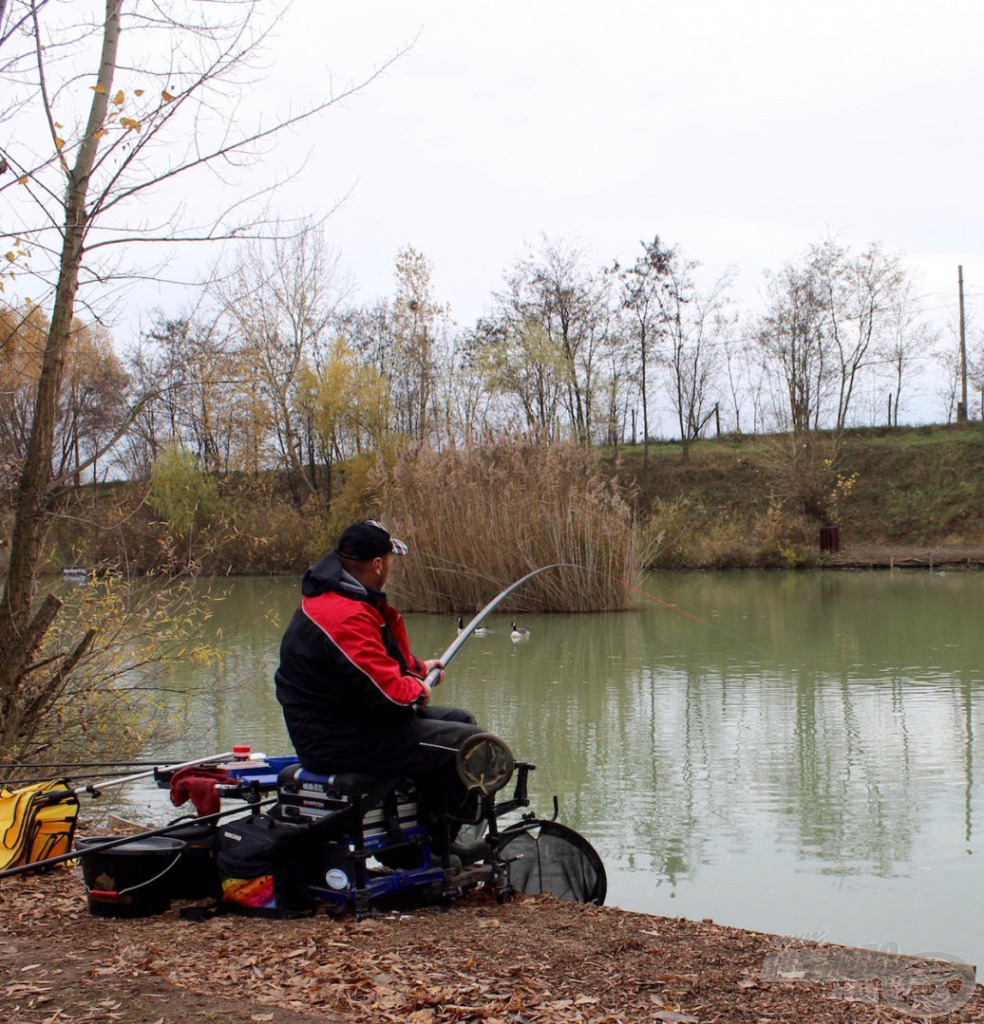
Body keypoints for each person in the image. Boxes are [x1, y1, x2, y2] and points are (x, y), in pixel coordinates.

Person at [274, 519, 485, 813]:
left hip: (348, 721)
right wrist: (418, 689)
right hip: (335, 741)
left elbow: (367, 662)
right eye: (389, 560)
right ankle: (440, 843)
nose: (390, 567)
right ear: (376, 565)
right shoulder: (345, 615)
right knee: (474, 743)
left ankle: (424, 826)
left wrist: (419, 668)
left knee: (461, 719)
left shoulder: (337, 595)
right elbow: (391, 697)